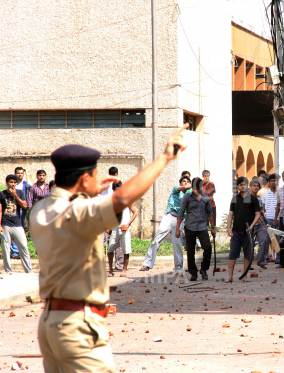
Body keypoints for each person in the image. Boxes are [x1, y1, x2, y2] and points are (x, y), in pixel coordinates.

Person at [29, 124, 188, 372]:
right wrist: (165, 157)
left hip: (50, 322)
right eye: (93, 175)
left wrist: (89, 192)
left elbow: (73, 204)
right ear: (83, 179)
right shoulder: (77, 213)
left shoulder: (41, 209)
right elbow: (123, 199)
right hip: (77, 326)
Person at [140, 175, 192, 274]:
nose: (185, 183)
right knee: (157, 239)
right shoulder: (176, 189)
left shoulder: (188, 196)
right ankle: (147, 264)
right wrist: (191, 185)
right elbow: (185, 188)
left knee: (178, 245)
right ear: (180, 183)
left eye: (187, 181)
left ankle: (179, 269)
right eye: (184, 181)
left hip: (179, 220)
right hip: (169, 216)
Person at [176, 177, 215, 281]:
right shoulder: (187, 197)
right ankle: (193, 273)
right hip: (190, 227)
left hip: (202, 226)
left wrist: (213, 227)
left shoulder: (206, 198)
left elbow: (210, 213)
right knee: (190, 251)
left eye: (199, 188)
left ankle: (203, 269)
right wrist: (177, 229)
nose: (197, 191)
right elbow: (180, 213)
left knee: (207, 247)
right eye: (195, 188)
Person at [226, 177, 261, 282]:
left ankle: (244, 276)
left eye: (244, 184)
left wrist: (252, 226)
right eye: (240, 185)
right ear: (238, 186)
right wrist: (228, 228)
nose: (242, 186)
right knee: (232, 254)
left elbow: (258, 214)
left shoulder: (253, 199)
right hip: (236, 230)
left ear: (247, 186)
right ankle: (230, 276)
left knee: (247, 254)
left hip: (248, 231)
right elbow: (231, 214)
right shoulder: (235, 198)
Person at [0, 174, 33, 273]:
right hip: (5, 224)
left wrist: (15, 195)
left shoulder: (20, 193)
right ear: (7, 183)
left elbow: (25, 206)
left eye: (14, 182)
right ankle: (8, 270)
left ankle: (29, 270)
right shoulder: (1, 194)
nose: (13, 184)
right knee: (6, 248)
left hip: (17, 224)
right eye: (11, 182)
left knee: (24, 246)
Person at [107, 181, 137, 277]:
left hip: (124, 227)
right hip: (115, 227)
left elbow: (135, 212)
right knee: (110, 248)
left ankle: (124, 269)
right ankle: (110, 269)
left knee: (126, 249)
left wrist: (128, 224)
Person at [249, 178, 271, 269]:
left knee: (264, 240)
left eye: (257, 186)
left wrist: (262, 216)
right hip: (250, 225)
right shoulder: (247, 198)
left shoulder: (258, 198)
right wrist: (255, 219)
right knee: (249, 244)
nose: (256, 187)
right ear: (250, 187)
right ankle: (248, 263)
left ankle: (260, 261)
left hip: (260, 224)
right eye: (254, 185)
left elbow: (261, 209)